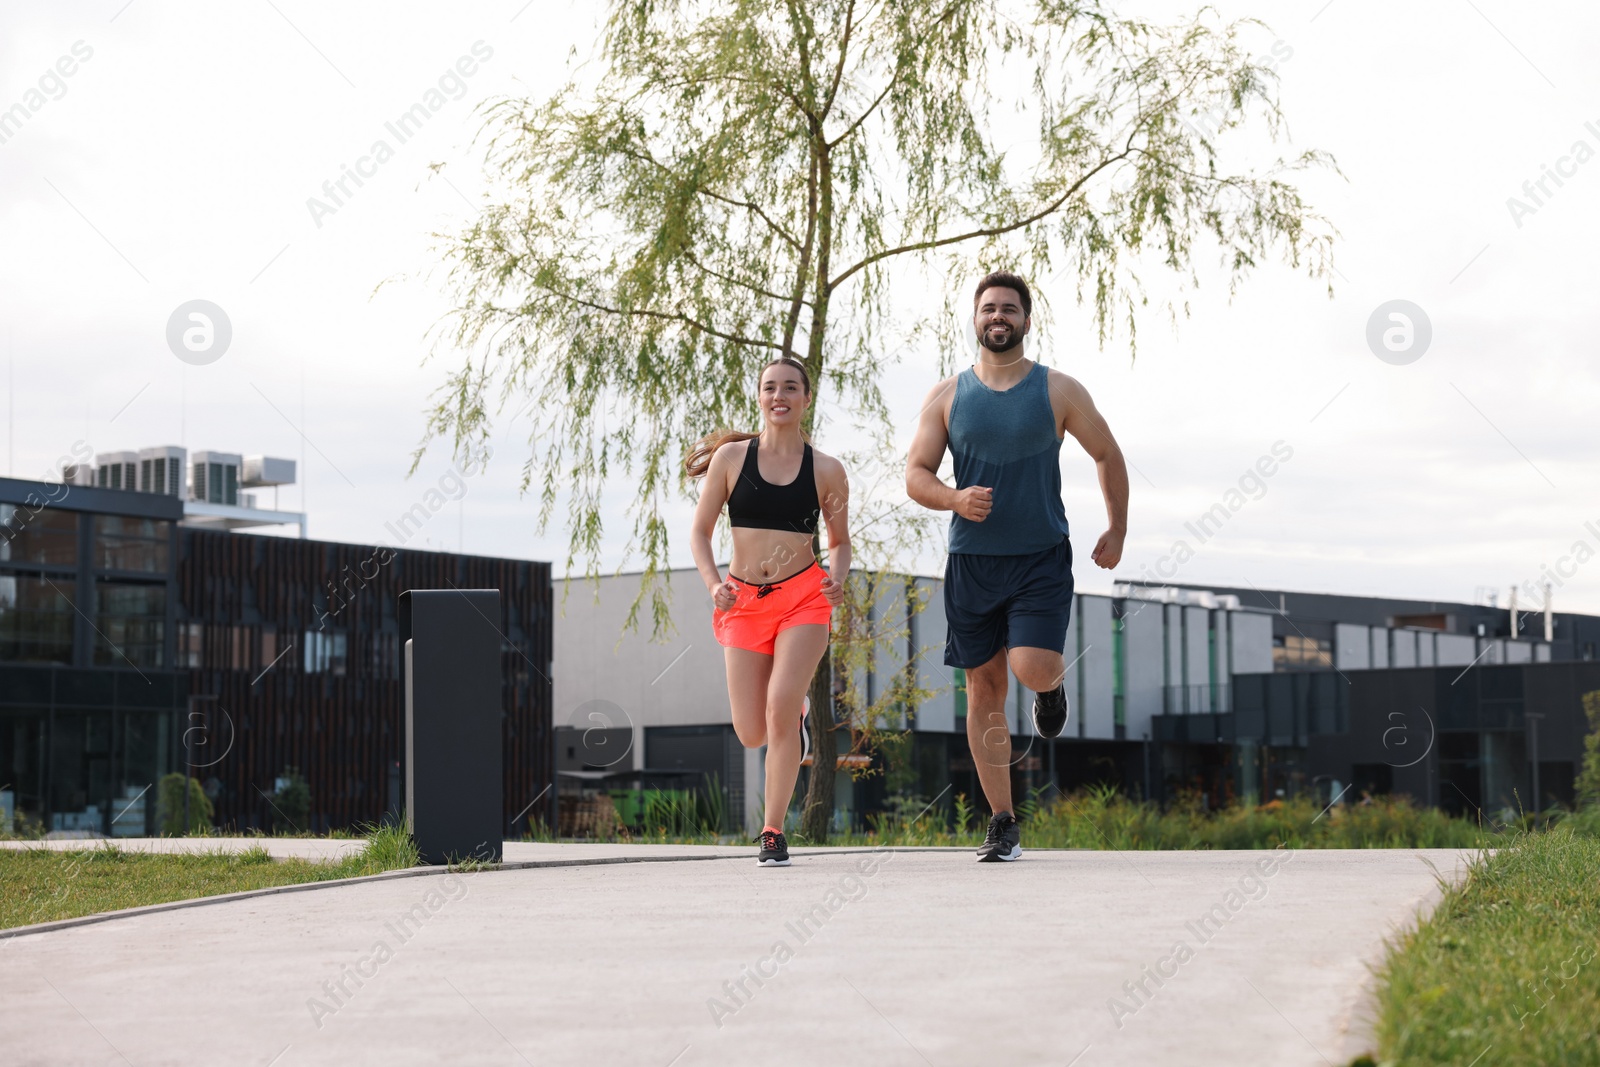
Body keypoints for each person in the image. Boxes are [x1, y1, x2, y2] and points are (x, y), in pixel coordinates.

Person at [906, 272, 1128, 861]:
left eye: (1009, 308)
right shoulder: (947, 395)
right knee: (984, 688)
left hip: (1039, 558)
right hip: (972, 564)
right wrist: (954, 498)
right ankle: (1003, 822)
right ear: (975, 320)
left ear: (1027, 321)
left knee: (1031, 667)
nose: (997, 316)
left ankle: (1050, 690)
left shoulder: (1058, 390)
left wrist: (1117, 528)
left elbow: (1107, 453)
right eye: (988, 309)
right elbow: (916, 475)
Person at [687, 357, 850, 866]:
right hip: (742, 600)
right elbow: (699, 532)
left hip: (803, 597)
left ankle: (774, 831)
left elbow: (840, 542)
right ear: (760, 396)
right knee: (751, 732)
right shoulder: (732, 459)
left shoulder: (826, 469)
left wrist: (837, 579)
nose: (779, 395)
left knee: (780, 705)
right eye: (770, 387)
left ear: (806, 398)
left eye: (790, 388)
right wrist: (713, 583)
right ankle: (792, 719)